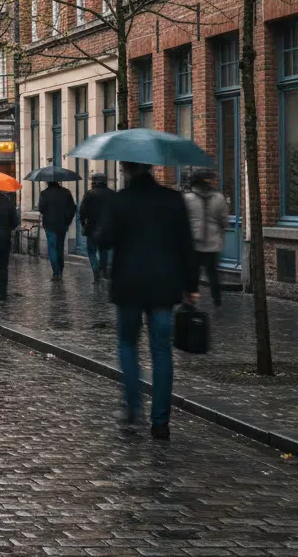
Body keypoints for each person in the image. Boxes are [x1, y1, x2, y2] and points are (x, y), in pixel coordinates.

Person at [98, 161, 198, 440]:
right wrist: (191, 284)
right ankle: (161, 421)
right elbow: (186, 245)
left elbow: (104, 239)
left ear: (127, 171)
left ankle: (133, 406)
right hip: (164, 286)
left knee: (128, 345)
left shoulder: (120, 201)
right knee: (162, 352)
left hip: (129, 285)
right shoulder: (172, 200)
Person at [184, 169, 228, 307]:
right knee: (213, 273)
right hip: (213, 242)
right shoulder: (219, 198)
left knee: (193, 274)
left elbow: (183, 220)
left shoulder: (188, 198)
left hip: (195, 242)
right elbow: (224, 220)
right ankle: (217, 299)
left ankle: (191, 299)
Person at [78, 173, 114, 282]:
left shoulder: (89, 194)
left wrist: (83, 224)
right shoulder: (112, 194)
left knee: (91, 251)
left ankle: (95, 270)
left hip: (92, 228)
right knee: (104, 251)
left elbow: (82, 211)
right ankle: (102, 269)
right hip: (107, 229)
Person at [38, 181, 77, 280]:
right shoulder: (66, 192)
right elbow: (73, 208)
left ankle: (56, 272)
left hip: (49, 224)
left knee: (52, 247)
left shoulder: (44, 193)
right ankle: (60, 269)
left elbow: (41, 209)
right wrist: (67, 221)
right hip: (62, 224)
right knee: (60, 247)